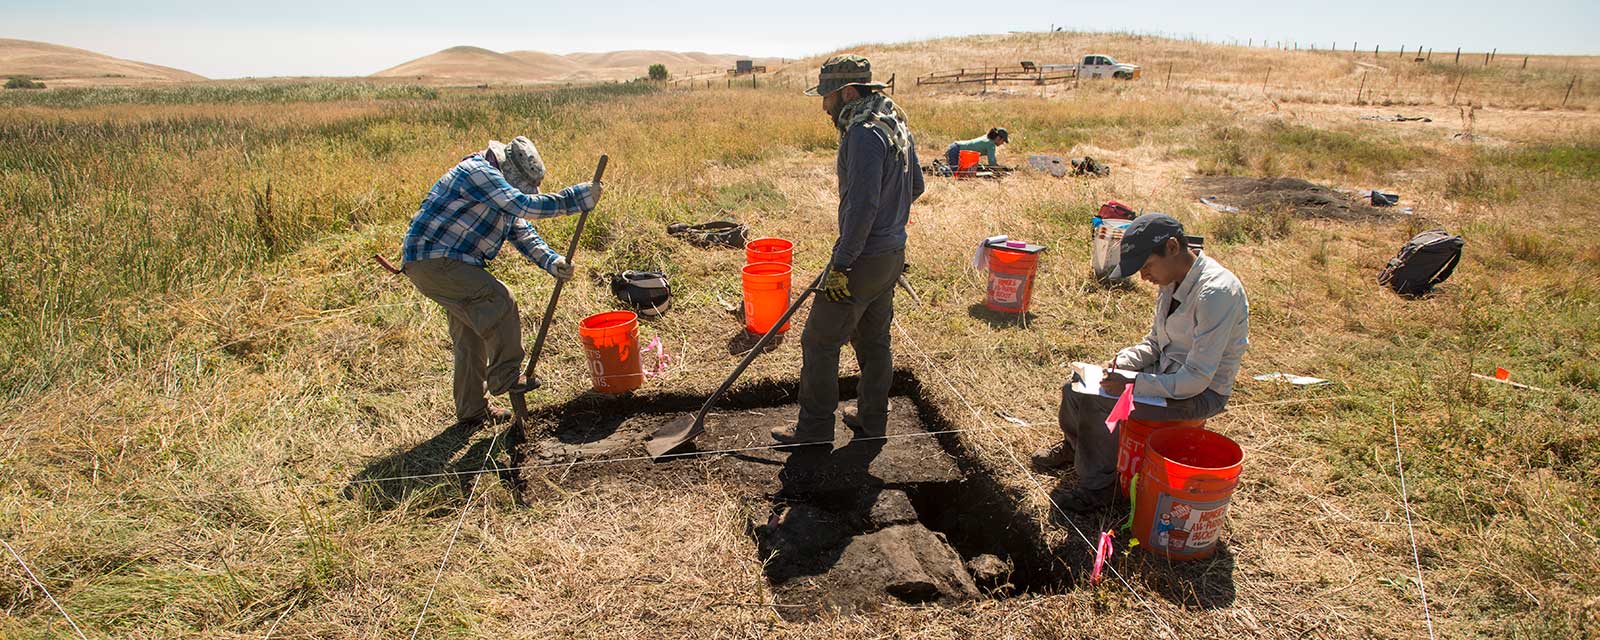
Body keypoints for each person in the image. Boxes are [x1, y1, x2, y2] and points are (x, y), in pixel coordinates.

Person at [1033, 213, 1248, 512]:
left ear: (1172, 247)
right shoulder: (1172, 279)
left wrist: (1132, 383)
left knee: (1101, 402)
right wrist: (1122, 362)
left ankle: (1098, 490)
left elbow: (1196, 379)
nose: (1144, 277)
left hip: (1200, 394)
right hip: (1165, 374)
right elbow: (1155, 343)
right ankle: (1075, 449)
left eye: (1146, 266)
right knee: (1075, 388)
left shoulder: (1216, 293)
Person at [770, 54, 924, 445]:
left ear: (849, 92)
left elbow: (861, 208)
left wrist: (841, 263)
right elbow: (917, 186)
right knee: (874, 341)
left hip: (863, 259)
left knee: (819, 341)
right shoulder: (893, 120)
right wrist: (891, 222)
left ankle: (815, 430)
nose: (824, 106)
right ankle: (872, 420)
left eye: (828, 96)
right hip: (891, 256)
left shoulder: (863, 133)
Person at [399, 137, 602, 428]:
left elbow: (522, 231)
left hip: (448, 264)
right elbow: (522, 205)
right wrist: (577, 198)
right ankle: (505, 377)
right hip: (434, 260)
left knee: (469, 338)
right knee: (500, 301)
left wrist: (551, 261)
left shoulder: (499, 189)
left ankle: (472, 410)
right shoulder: (478, 172)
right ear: (508, 169)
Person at [944, 127, 1009, 169]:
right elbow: (992, 164)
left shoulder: (987, 138)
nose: (1002, 143)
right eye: (1003, 141)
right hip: (956, 150)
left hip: (955, 147)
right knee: (954, 172)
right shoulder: (990, 144)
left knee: (960, 170)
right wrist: (1002, 169)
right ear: (998, 138)